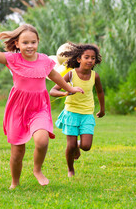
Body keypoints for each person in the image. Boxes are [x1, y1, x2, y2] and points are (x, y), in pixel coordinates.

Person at [0, 22, 84, 188]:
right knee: (17, 152)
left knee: (42, 141)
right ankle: (15, 182)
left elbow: (56, 76)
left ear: (38, 42)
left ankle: (37, 169)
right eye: (25, 42)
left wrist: (70, 88)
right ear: (17, 44)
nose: (30, 46)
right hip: (18, 109)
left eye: (33, 42)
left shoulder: (43, 60)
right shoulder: (13, 59)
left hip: (39, 107)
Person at [50, 42, 105, 177]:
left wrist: (102, 109)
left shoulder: (94, 76)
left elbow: (100, 93)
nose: (90, 60)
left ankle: (77, 145)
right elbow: (52, 91)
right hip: (71, 113)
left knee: (86, 146)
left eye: (93, 58)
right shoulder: (70, 75)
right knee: (70, 145)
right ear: (79, 59)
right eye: (87, 57)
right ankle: (70, 169)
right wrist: (66, 92)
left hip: (87, 114)